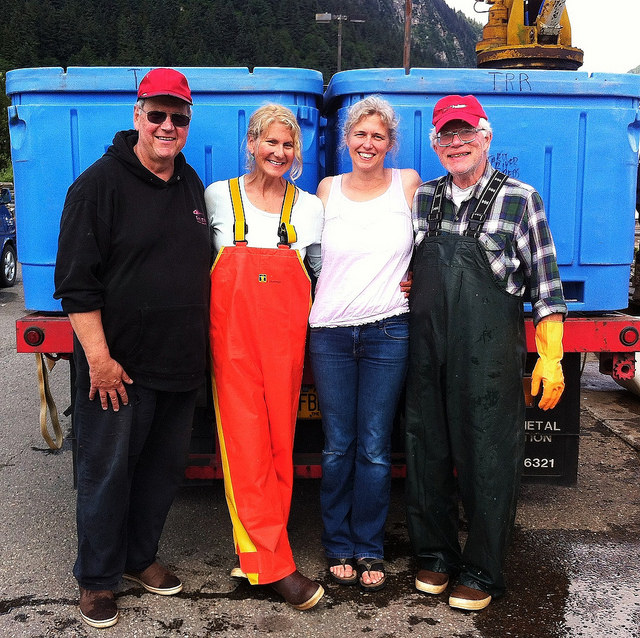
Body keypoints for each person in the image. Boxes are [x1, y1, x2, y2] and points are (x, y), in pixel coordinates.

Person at [54, 68, 210, 629]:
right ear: (137, 116)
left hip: (180, 364)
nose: (167, 126)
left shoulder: (190, 185)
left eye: (179, 117)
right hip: (117, 370)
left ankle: (138, 557)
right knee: (105, 473)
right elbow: (76, 284)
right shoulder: (98, 185)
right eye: (158, 114)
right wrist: (99, 359)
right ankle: (97, 579)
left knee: (163, 472)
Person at [405, 94, 567, 611]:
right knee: (426, 448)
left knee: (488, 458)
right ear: (435, 143)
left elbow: (546, 286)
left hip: (489, 354)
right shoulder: (424, 198)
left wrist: (550, 355)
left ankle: (482, 568)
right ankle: (435, 555)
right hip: (428, 348)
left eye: (465, 133)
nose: (457, 143)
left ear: (486, 135)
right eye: (446, 136)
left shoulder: (522, 200)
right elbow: (411, 268)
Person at [205, 104, 325, 610]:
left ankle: (256, 552)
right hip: (231, 343)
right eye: (269, 142)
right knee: (244, 449)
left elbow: (318, 273)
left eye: (288, 145)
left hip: (285, 343)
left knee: (281, 446)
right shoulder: (217, 197)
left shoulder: (309, 208)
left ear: (297, 153)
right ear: (251, 143)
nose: (278, 152)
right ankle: (275, 566)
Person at [308, 96, 422, 591]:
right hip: (330, 330)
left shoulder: (409, 183)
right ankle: (337, 545)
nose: (368, 143)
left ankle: (369, 547)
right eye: (360, 135)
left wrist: (422, 275)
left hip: (389, 328)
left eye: (378, 136)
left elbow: (433, 239)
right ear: (345, 141)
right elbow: (307, 255)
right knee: (338, 445)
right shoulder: (327, 189)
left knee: (375, 446)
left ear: (390, 143)